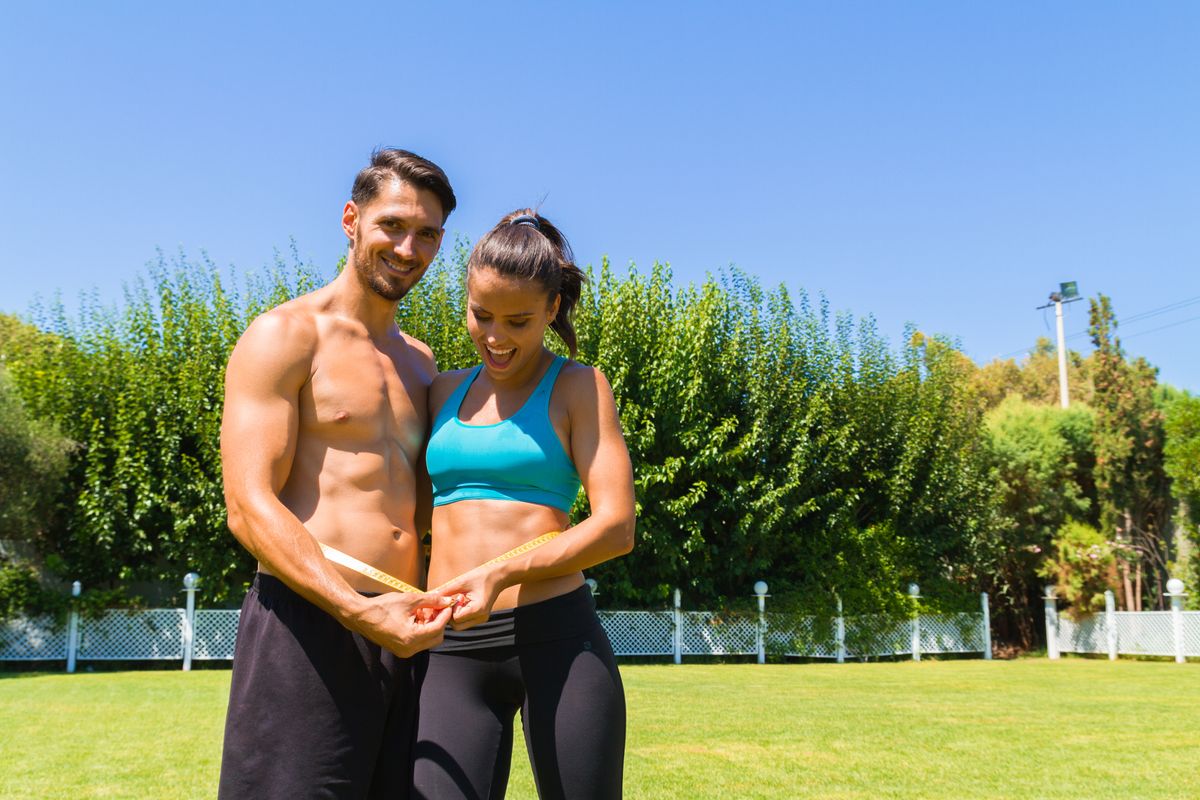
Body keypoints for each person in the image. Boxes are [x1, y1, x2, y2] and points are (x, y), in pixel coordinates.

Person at [218, 148, 458, 799]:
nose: (409, 248)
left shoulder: (422, 363)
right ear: (351, 219)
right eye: (392, 225)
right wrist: (355, 609)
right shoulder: (285, 337)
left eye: (429, 233)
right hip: (311, 622)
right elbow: (248, 504)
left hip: (408, 631)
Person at [413, 210, 636, 799]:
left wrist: (499, 572)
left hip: (558, 640)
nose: (495, 337)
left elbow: (616, 527)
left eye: (518, 321)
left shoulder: (580, 387)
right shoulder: (440, 390)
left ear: (552, 311)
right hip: (452, 646)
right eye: (480, 315)